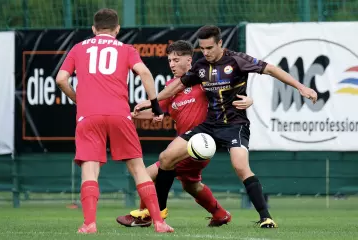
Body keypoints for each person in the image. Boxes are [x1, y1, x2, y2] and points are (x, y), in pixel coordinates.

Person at [135, 25, 318, 228]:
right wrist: (153, 102)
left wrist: (301, 87)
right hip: (209, 126)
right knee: (166, 157)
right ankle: (160, 211)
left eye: (209, 48)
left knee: (240, 166)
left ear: (220, 43)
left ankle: (266, 216)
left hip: (234, 125)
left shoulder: (237, 60)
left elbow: (271, 69)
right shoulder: (201, 66)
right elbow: (177, 86)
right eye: (202, 49)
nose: (205, 53)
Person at [55, 8, 173, 234]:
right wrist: (156, 105)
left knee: (90, 171)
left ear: (93, 29)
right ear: (118, 29)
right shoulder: (126, 49)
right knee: (138, 169)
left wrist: (79, 100)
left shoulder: (79, 48)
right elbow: (145, 73)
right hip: (120, 114)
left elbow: (61, 80)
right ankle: (158, 222)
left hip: (89, 116)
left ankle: (89, 224)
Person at [116, 40, 254, 228]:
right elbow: (159, 111)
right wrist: (135, 115)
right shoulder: (171, 86)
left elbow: (228, 95)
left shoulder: (205, 80)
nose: (171, 64)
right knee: (191, 184)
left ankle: (147, 215)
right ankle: (220, 214)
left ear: (189, 60)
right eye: (169, 60)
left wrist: (249, 100)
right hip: (184, 146)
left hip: (200, 142)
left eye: (175, 59)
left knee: (147, 174)